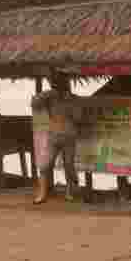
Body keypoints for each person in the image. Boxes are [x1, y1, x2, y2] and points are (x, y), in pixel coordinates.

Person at [32, 73, 86, 203]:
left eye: (62, 85)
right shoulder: (50, 98)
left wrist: (70, 104)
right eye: (57, 86)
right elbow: (34, 103)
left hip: (69, 137)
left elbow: (79, 117)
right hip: (53, 137)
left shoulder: (74, 99)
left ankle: (70, 192)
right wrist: (49, 93)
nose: (61, 89)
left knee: (69, 165)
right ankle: (42, 193)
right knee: (45, 165)